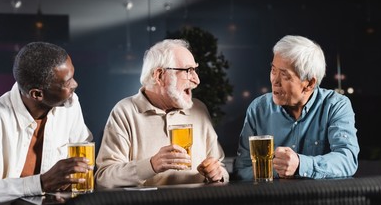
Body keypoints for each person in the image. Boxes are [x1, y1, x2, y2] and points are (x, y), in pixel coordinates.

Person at [95, 39, 229, 187]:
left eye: (195, 70)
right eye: (188, 71)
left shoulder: (199, 109)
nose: (196, 80)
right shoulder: (125, 111)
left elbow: (222, 168)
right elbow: (104, 178)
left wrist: (218, 174)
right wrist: (151, 165)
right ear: (159, 75)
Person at [0, 42, 93, 205]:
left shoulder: (70, 104)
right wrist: (40, 182)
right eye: (67, 82)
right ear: (37, 94)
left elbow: (83, 149)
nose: (75, 84)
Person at [233, 35, 359, 180]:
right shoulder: (258, 109)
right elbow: (242, 170)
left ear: (310, 84)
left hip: (319, 200)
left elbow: (347, 160)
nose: (275, 81)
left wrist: (300, 164)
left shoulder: (335, 105)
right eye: (273, 70)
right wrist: (278, 170)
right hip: (271, 200)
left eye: (285, 75)